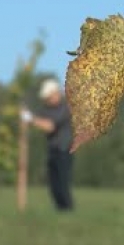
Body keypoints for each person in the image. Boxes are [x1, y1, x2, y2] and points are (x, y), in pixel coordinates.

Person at [20, 78, 74, 211]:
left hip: (64, 149)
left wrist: (31, 119)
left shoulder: (65, 108)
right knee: (53, 183)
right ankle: (60, 209)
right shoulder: (47, 109)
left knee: (62, 182)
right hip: (52, 149)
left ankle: (67, 208)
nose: (47, 100)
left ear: (56, 94)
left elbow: (49, 126)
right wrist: (26, 115)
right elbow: (37, 118)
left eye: (49, 97)